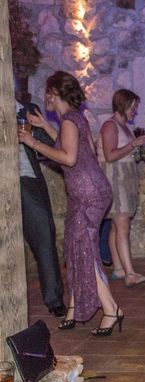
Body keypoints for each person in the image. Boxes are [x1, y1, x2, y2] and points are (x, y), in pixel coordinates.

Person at [18, 71, 124, 336]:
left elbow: (69, 157)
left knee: (85, 252)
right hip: (93, 191)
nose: (45, 98)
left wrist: (32, 142)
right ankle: (76, 309)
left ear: (54, 92)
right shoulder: (75, 118)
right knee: (77, 249)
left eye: (47, 93)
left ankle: (111, 309)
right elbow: (75, 146)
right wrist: (43, 127)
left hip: (87, 195)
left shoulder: (69, 120)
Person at [16, 93, 66, 318]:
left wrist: (35, 131)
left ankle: (54, 299)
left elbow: (53, 145)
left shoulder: (26, 109)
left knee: (44, 237)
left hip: (27, 181)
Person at [97, 89, 145, 287]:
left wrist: (143, 153)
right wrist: (134, 144)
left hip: (125, 177)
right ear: (123, 104)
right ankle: (130, 273)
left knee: (115, 226)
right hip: (115, 179)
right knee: (122, 226)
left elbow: (126, 154)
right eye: (133, 107)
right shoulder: (109, 126)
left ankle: (119, 269)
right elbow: (110, 155)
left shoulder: (123, 126)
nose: (135, 111)